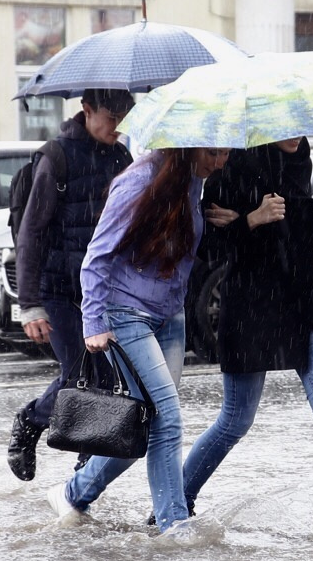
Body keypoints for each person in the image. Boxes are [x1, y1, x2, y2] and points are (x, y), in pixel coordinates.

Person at [44, 145, 233, 537]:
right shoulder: (139, 180)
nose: (218, 162)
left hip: (169, 315)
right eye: (212, 153)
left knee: (144, 425)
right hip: (125, 313)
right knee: (166, 418)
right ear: (189, 145)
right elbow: (97, 255)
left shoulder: (194, 180)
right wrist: (93, 320)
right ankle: (174, 525)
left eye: (226, 153)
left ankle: (73, 494)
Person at [181, 137, 313, 527]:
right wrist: (252, 219)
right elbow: (208, 248)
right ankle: (176, 501)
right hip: (252, 304)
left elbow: (297, 228)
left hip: (306, 297)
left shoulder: (302, 156)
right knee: (235, 420)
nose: (296, 134)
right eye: (289, 125)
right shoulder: (232, 164)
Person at [6, 88, 135, 481]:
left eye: (124, 119)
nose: (118, 127)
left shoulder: (122, 157)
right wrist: (30, 304)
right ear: (87, 110)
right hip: (58, 287)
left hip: (102, 289)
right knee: (78, 369)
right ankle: (31, 422)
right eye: (112, 118)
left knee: (107, 379)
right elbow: (31, 233)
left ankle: (85, 460)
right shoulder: (56, 157)